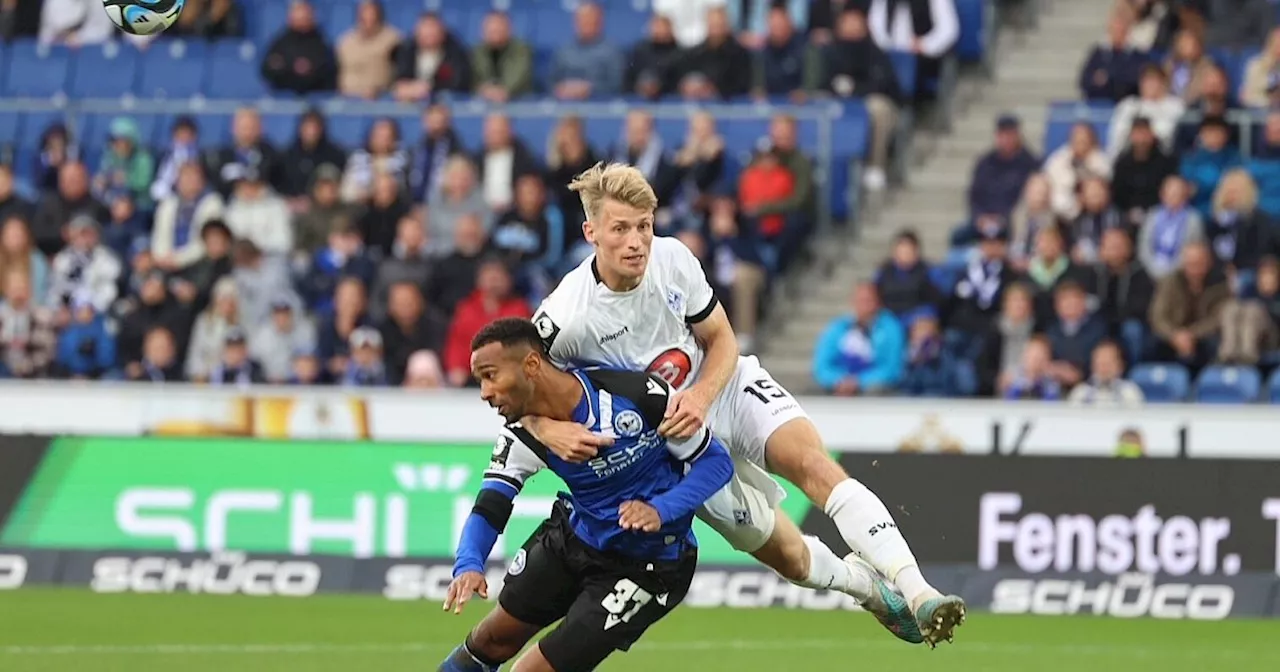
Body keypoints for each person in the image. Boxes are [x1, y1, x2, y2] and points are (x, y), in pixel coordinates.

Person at [521, 162, 958, 646]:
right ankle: (867, 588)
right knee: (791, 559)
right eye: (620, 229)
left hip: (723, 387)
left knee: (814, 466)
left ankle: (920, 594)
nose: (636, 242)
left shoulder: (674, 259)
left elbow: (722, 338)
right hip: (673, 447)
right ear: (590, 232)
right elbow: (514, 389)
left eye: (644, 227)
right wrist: (543, 427)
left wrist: (703, 395)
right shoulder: (565, 317)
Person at [439, 317, 734, 671]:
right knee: (491, 639)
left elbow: (716, 464)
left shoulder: (635, 395)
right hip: (574, 541)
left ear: (531, 365)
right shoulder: (522, 435)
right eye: (479, 381)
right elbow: (490, 506)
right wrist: (469, 564)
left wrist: (660, 509)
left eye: (490, 375)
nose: (485, 392)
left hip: (648, 567)